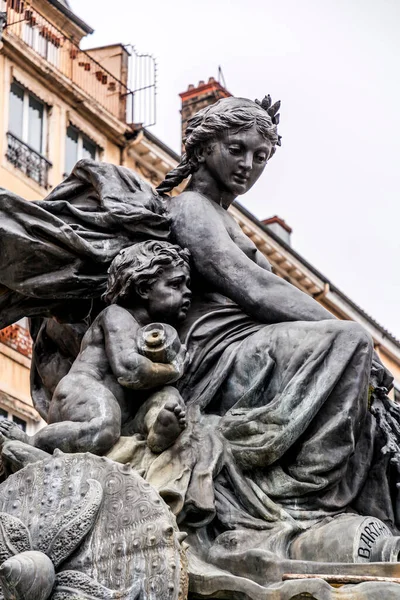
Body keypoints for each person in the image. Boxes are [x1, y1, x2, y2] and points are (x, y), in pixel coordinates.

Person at [132, 95, 399, 592]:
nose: (248, 166)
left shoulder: (226, 216)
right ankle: (303, 495)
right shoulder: (190, 208)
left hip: (251, 344)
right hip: (218, 354)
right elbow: (252, 289)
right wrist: (341, 331)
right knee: (351, 343)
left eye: (261, 157)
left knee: (363, 376)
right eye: (237, 150)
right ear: (204, 146)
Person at [0, 240, 191, 456]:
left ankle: (157, 430)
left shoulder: (147, 331)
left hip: (122, 413)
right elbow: (130, 370)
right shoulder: (117, 315)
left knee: (168, 394)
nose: (188, 292)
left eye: (187, 285)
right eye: (176, 284)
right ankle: (32, 440)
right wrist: (174, 369)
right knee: (104, 426)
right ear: (144, 288)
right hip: (81, 393)